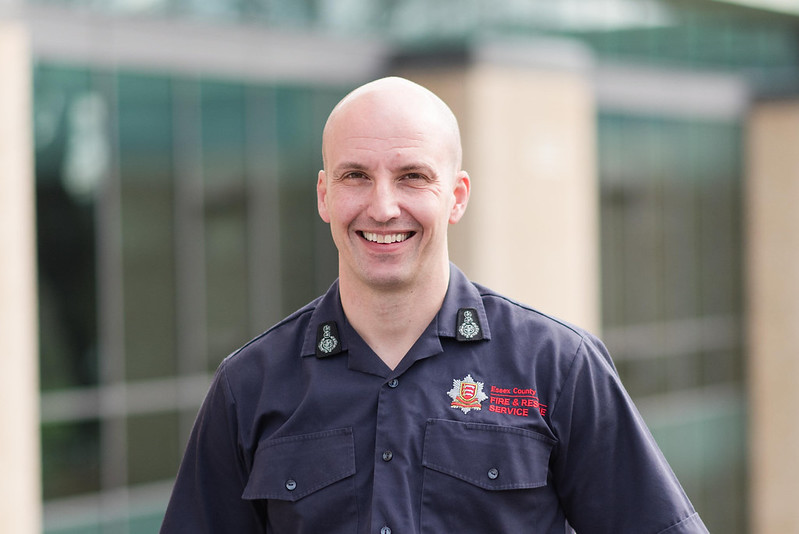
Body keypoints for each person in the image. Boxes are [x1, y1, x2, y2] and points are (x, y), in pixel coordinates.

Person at [161, 76, 708, 533]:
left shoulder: (559, 368)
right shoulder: (248, 387)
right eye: (356, 176)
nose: (382, 206)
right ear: (325, 195)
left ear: (457, 196)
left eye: (412, 177)